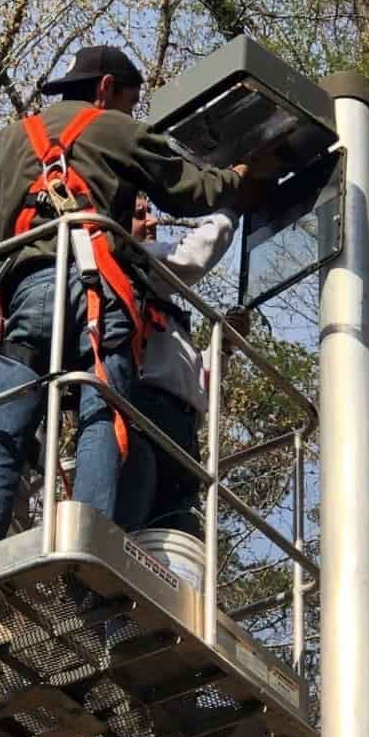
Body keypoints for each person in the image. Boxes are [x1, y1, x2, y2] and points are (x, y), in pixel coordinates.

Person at [0, 45, 270, 564]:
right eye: (127, 101)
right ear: (106, 89)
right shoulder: (112, 129)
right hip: (94, 292)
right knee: (102, 416)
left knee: (0, 433)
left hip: (25, 299)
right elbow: (190, 190)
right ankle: (90, 550)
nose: (128, 113)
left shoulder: (1, 146)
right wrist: (241, 178)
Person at [116, 198, 248, 538]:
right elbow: (191, 257)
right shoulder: (126, 264)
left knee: (178, 549)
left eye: (152, 212)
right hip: (141, 419)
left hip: (182, 434)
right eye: (139, 214)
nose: (152, 222)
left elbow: (193, 383)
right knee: (124, 532)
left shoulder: (161, 301)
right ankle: (91, 591)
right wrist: (235, 205)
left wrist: (224, 347)